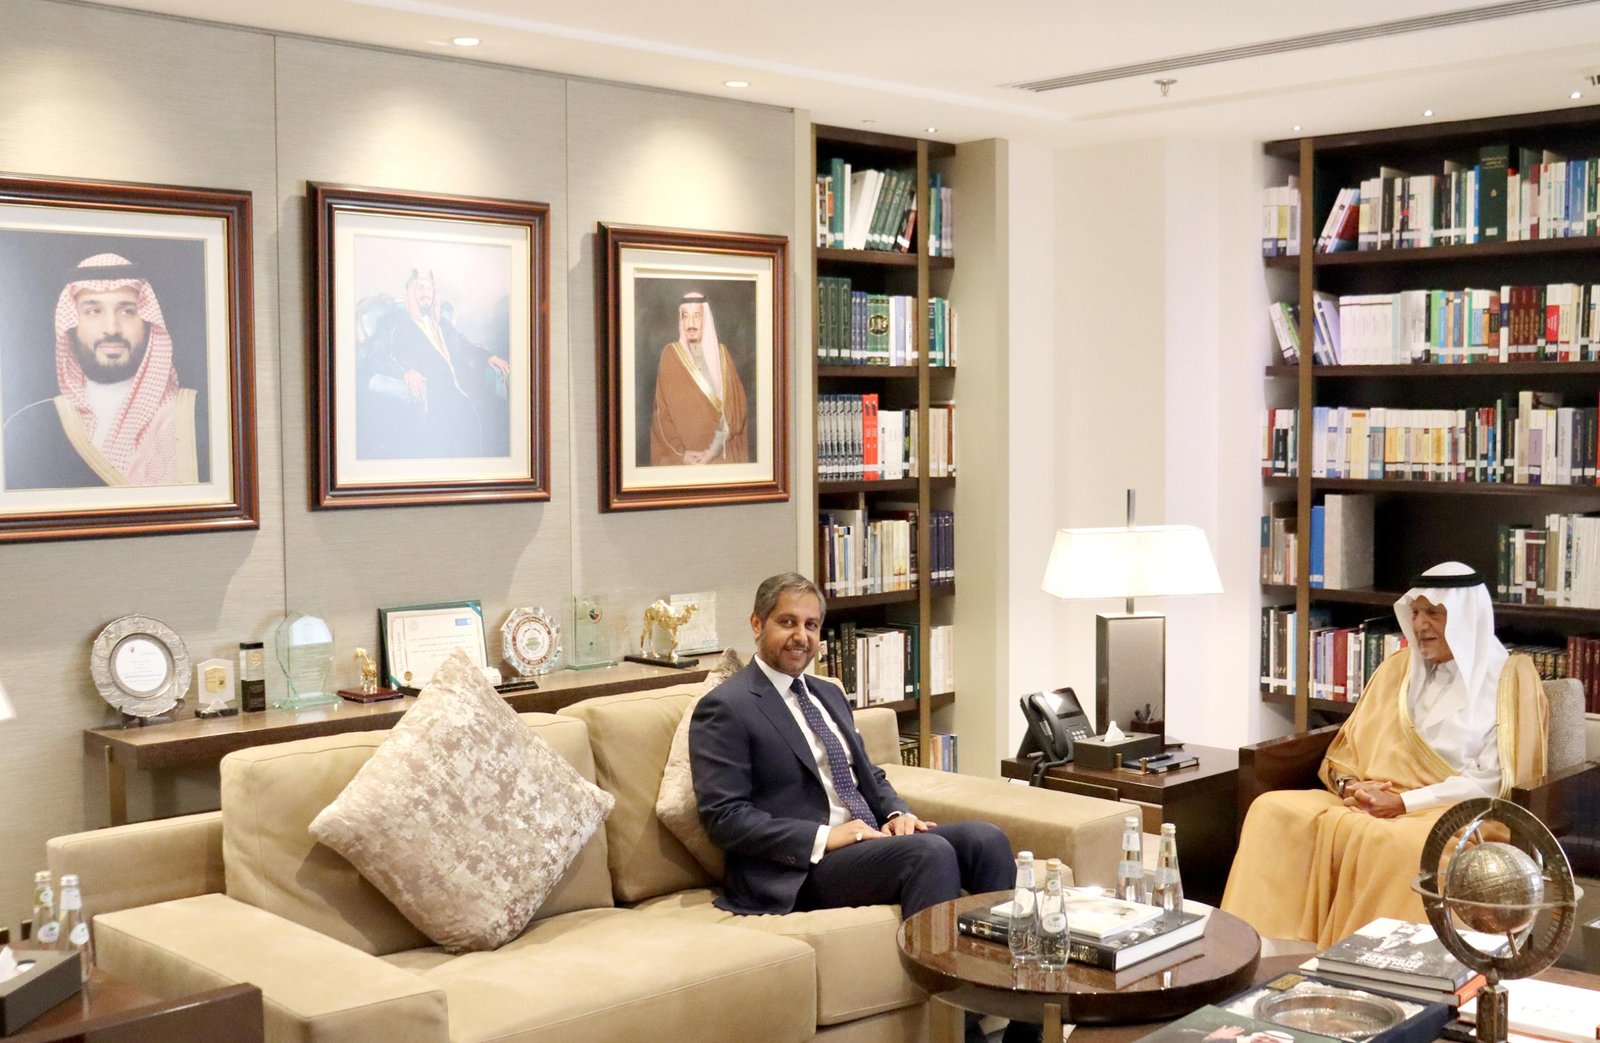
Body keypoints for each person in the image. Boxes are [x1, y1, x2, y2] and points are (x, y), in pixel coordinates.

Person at [690, 572, 1034, 1043]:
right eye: (787, 622)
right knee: (929, 853)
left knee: (985, 840)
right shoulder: (727, 707)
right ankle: (960, 1032)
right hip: (803, 867)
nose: (801, 636)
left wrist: (896, 814)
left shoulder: (827, 693)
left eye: (811, 625)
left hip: (869, 842)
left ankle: (1024, 1025)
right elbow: (724, 818)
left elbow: (868, 774)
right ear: (757, 624)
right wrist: (827, 836)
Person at [1221, 562, 1548, 946]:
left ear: (1466, 617)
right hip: (1373, 800)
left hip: (1456, 812)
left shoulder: (1511, 680)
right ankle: (1263, 948)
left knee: (1400, 847)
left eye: (1435, 613)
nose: (1421, 625)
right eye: (1416, 613)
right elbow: (1349, 748)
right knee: (1271, 811)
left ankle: (1368, 961)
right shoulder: (1396, 669)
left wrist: (1404, 803)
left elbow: (1494, 781)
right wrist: (1352, 787)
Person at [3, 253, 205, 489]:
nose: (111, 328)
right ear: (71, 324)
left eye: (127, 311)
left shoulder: (198, 417)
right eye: (93, 311)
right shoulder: (28, 426)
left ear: (148, 323)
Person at [374, 268, 510, 459]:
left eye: (429, 288)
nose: (426, 293)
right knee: (466, 422)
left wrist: (488, 357)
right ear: (410, 291)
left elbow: (462, 344)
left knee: (501, 412)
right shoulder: (396, 324)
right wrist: (405, 372)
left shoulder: (441, 323)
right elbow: (378, 357)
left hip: (465, 386)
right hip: (436, 396)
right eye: (420, 287)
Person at [649, 291, 749, 466]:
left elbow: (736, 408)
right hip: (685, 461)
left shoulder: (722, 355)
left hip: (721, 456)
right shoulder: (670, 355)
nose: (691, 324)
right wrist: (682, 454)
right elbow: (662, 414)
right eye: (685, 316)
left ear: (706, 319)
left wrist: (713, 449)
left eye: (696, 316)